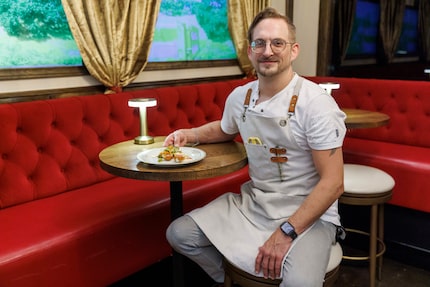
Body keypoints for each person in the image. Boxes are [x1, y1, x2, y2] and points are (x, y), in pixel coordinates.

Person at [164, 7, 346, 287]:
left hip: (310, 213)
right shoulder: (240, 97)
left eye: (277, 43)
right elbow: (224, 129)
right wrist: (189, 133)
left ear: (294, 50)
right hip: (256, 203)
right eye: (259, 43)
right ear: (250, 51)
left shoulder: (317, 104)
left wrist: (286, 232)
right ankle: (235, 279)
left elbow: (333, 184)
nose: (267, 51)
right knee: (179, 233)